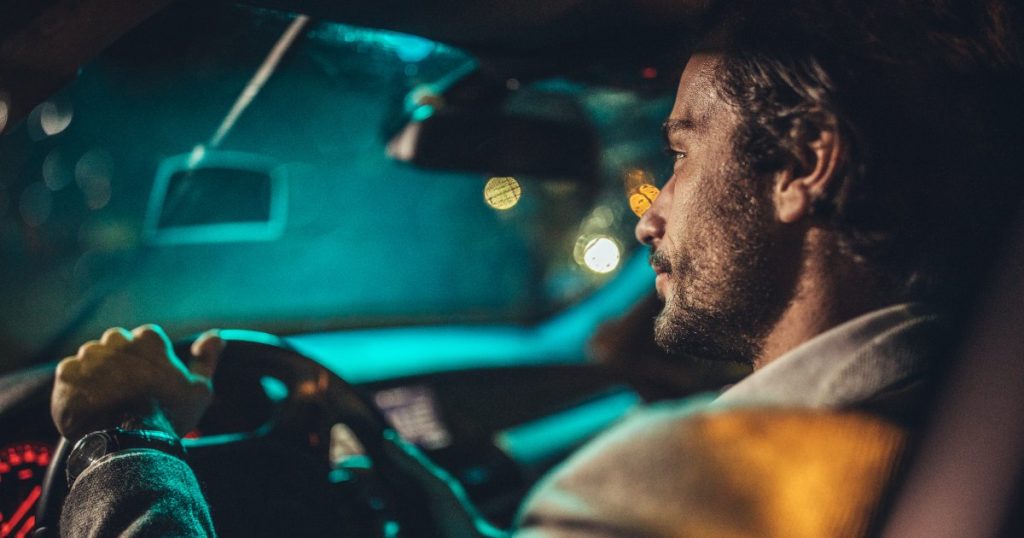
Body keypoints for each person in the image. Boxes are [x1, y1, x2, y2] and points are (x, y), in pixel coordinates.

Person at [49, 0, 1024, 536]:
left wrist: (123, 441)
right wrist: (380, 457)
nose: (652, 216)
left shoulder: (692, 488)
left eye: (680, 154)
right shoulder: (940, 412)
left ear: (805, 162)